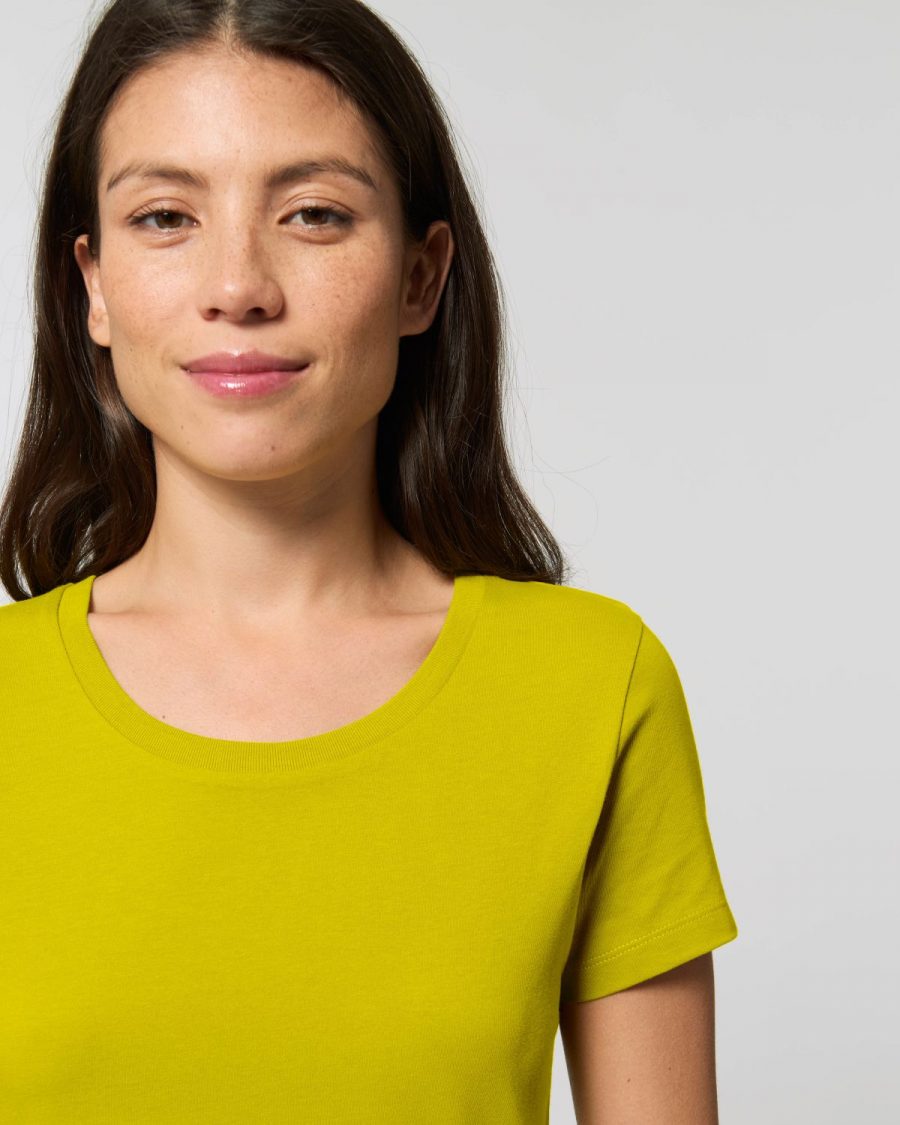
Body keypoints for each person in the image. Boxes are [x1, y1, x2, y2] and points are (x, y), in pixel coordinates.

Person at [0, 0, 739, 1121]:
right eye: (165, 216)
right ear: (93, 286)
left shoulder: (591, 689)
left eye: (313, 213)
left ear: (420, 277)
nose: (238, 286)